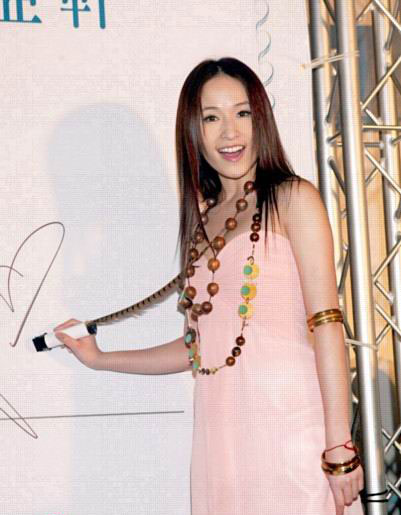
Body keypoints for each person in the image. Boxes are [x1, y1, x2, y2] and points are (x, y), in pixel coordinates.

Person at [54, 57, 365, 514]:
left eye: (242, 113)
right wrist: (101, 359)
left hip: (290, 430)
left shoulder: (293, 198)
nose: (230, 133)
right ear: (193, 132)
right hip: (221, 441)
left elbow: (327, 324)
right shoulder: (202, 223)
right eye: (211, 118)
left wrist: (339, 444)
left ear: (261, 118)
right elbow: (199, 348)